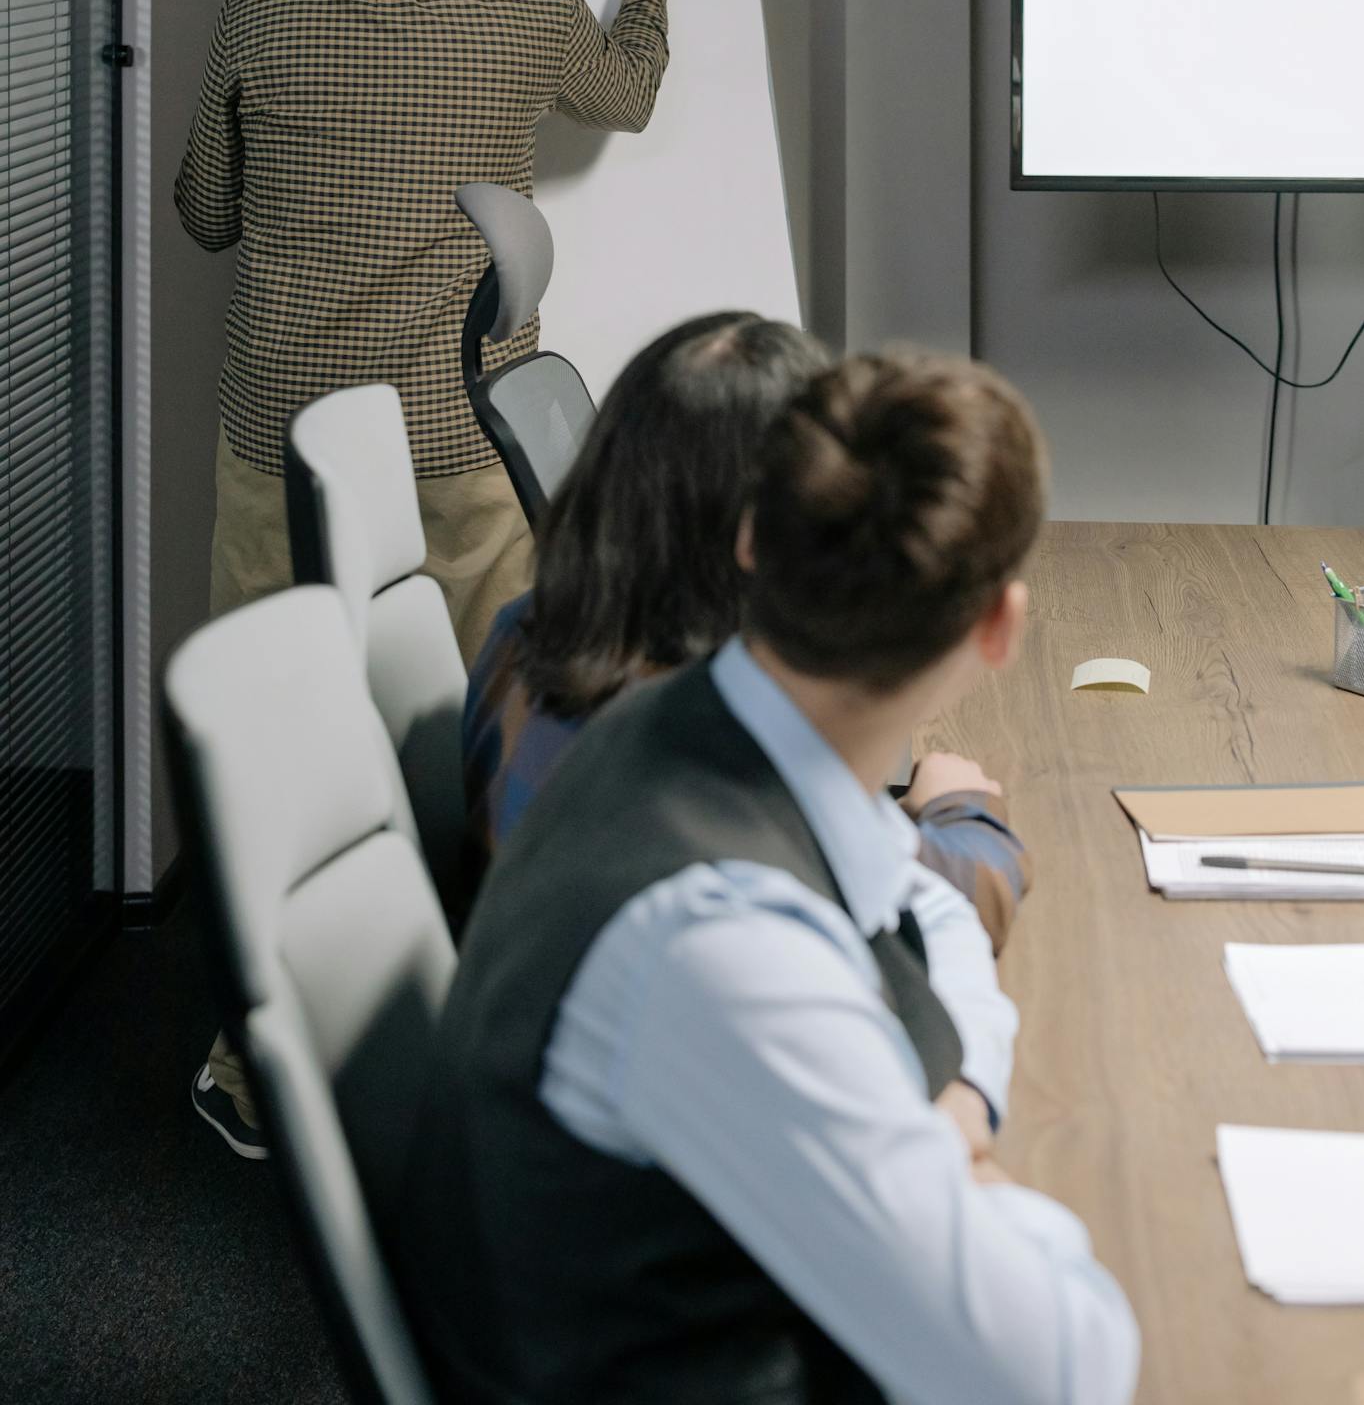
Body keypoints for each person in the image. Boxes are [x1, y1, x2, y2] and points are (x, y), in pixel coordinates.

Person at [398, 349, 1141, 1405]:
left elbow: (923, 899)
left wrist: (961, 1102)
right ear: (1000, 628)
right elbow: (1058, 1370)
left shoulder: (686, 718)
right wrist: (963, 1184)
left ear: (752, 541)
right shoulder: (719, 940)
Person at [176, 0, 692, 1159]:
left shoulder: (259, 6)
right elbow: (629, 94)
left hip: (284, 437)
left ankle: (254, 1060)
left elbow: (205, 215)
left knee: (273, 753)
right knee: (489, 744)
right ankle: (486, 1030)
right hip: (456, 436)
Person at [458, 312, 1031, 952]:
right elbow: (955, 906)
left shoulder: (525, 628)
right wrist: (960, 808)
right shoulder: (706, 733)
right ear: (762, 526)